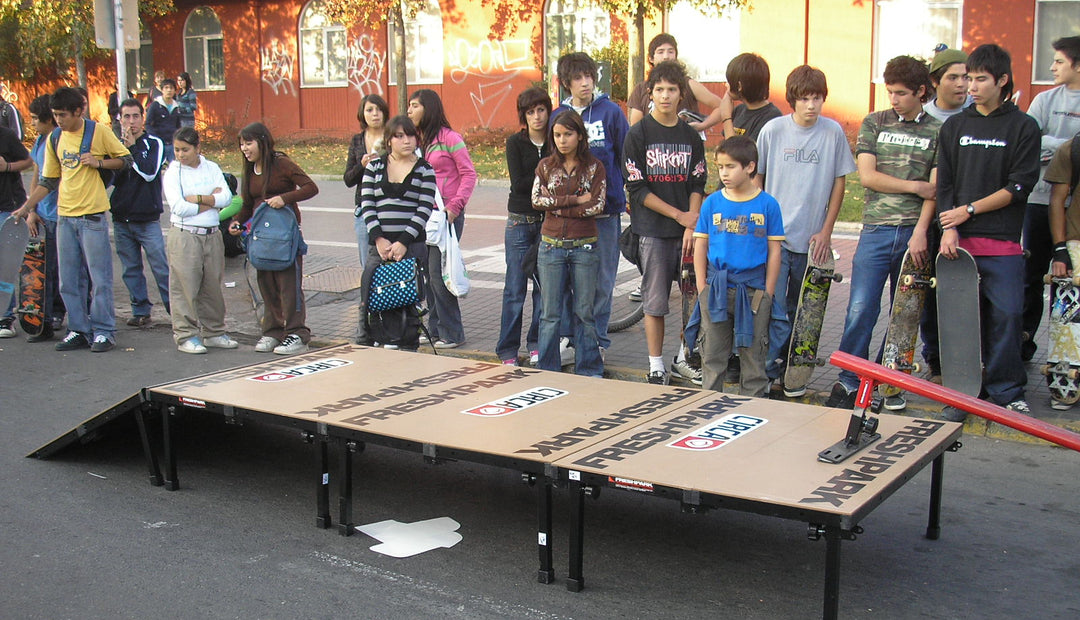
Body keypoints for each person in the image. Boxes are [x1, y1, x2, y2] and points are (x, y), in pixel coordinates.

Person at [825, 56, 941, 411]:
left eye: (901, 93)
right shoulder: (874, 123)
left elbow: (935, 190)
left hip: (914, 233)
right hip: (875, 230)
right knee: (861, 308)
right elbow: (868, 177)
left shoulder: (938, 131)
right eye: (890, 92)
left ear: (921, 91)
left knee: (904, 314)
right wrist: (915, 186)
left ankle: (889, 379)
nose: (893, 99)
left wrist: (921, 231)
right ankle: (848, 379)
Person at [936, 43, 1040, 417]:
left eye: (980, 79)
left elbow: (1019, 187)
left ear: (1002, 81)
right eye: (968, 78)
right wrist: (949, 228)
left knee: (1008, 316)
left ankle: (1007, 390)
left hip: (1003, 244)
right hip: (959, 247)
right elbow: (945, 183)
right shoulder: (955, 126)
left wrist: (970, 210)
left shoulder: (1024, 127)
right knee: (964, 324)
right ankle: (965, 394)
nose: (971, 86)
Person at [756, 65, 856, 396]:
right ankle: (771, 372)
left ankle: (795, 371)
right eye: (804, 99)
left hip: (812, 241)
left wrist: (827, 230)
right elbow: (758, 180)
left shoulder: (832, 133)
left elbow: (839, 183)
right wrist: (759, 224)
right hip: (776, 238)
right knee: (776, 307)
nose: (811, 106)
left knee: (805, 310)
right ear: (792, 101)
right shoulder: (773, 131)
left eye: (817, 99)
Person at [13, 86, 132, 353]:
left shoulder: (97, 132)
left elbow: (125, 160)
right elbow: (48, 180)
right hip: (65, 216)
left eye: (63, 115)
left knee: (98, 277)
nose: (58, 120)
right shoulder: (56, 137)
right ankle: (78, 328)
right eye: (55, 115)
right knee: (68, 279)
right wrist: (27, 207)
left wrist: (98, 162)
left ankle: (104, 330)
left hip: (91, 217)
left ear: (79, 111)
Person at [623, 60, 708, 385]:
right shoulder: (638, 134)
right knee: (655, 302)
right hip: (653, 232)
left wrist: (691, 223)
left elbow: (698, 183)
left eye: (672, 90)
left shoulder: (690, 137)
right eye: (660, 89)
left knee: (694, 303)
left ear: (681, 93)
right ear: (650, 93)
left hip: (688, 234)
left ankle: (684, 358)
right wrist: (677, 215)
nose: (666, 95)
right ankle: (656, 364)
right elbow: (637, 187)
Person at [551, 52, 629, 364]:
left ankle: (596, 341)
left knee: (602, 280)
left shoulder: (610, 112)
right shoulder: (560, 115)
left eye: (589, 76)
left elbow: (625, 155)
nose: (585, 83)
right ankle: (571, 338)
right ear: (567, 83)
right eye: (578, 78)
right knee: (569, 280)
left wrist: (626, 195)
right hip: (569, 215)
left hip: (606, 213)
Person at [691, 136, 782, 395]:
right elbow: (701, 245)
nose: (724, 173)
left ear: (750, 167)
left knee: (753, 360)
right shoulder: (712, 203)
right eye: (720, 167)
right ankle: (707, 407)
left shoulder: (767, 204)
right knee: (712, 356)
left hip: (753, 291)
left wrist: (768, 292)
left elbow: (775, 251)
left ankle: (751, 410)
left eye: (730, 166)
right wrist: (702, 287)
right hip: (717, 289)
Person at [230, 122, 319, 355]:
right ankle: (272, 332)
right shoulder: (249, 168)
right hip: (260, 237)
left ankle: (296, 333)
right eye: (241, 143)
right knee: (266, 283)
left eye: (248, 143)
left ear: (262, 141)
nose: (244, 148)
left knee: (288, 285)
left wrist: (285, 198)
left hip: (285, 235)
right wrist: (238, 222)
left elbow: (311, 187)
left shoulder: (281, 163)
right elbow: (248, 204)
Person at [532, 110, 606, 377]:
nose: (562, 140)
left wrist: (556, 206)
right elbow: (537, 201)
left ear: (579, 135)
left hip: (585, 244)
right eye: (558, 135)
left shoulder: (594, 167)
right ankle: (547, 369)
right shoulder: (545, 166)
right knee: (549, 314)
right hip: (550, 245)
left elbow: (596, 205)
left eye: (568, 134)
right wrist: (574, 200)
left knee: (584, 313)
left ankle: (589, 369)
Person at [1021, 36, 1080, 361]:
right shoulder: (1045, 99)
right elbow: (1030, 142)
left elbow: (1043, 143)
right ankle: (1024, 345)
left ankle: (1064, 354)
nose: (1052, 67)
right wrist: (1071, 146)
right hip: (1039, 201)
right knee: (1031, 279)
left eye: (1059, 61)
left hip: (1074, 212)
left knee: (1069, 282)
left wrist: (1050, 145)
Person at [355, 115, 436, 350]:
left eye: (410, 135)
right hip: (379, 247)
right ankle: (370, 342)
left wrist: (402, 242)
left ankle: (407, 348)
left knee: (407, 303)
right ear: (389, 140)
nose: (406, 141)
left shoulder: (425, 169)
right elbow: (367, 204)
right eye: (399, 136)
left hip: (410, 246)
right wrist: (379, 239)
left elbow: (424, 209)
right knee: (372, 297)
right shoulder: (375, 166)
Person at [407, 89, 476, 349]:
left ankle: (452, 332)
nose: (410, 111)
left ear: (429, 108)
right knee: (427, 274)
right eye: (409, 106)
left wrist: (455, 207)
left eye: (415, 106)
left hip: (446, 216)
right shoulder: (416, 141)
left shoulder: (450, 138)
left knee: (439, 274)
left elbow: (468, 174)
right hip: (424, 216)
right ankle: (435, 329)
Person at [919, 46, 969, 383]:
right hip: (928, 216)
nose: (962, 84)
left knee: (963, 292)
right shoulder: (923, 118)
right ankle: (935, 359)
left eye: (967, 76)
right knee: (930, 293)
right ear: (936, 81)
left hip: (967, 214)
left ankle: (966, 360)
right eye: (953, 76)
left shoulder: (976, 116)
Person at [163, 127, 236, 354]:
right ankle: (186, 334)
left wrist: (198, 199)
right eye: (177, 150)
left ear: (197, 148)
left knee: (212, 284)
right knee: (185, 285)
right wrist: (211, 202)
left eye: (185, 149)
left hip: (212, 234)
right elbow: (178, 207)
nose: (180, 155)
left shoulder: (212, 167)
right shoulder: (173, 173)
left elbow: (226, 197)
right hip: (185, 235)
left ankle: (214, 332)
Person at [497, 87, 551, 366]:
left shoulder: (556, 139)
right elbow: (518, 184)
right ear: (524, 116)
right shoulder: (515, 143)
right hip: (520, 222)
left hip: (547, 224)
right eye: (530, 112)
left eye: (541, 110)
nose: (537, 116)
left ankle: (535, 343)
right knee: (515, 289)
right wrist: (547, 177)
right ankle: (507, 349)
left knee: (543, 289)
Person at [110, 98, 170, 327]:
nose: (131, 122)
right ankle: (140, 310)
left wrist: (133, 148)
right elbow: (112, 178)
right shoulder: (114, 144)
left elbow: (149, 173)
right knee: (131, 268)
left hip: (147, 218)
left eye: (136, 116)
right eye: (126, 117)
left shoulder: (154, 143)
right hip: (121, 217)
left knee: (160, 266)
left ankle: (175, 310)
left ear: (143, 118)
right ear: (120, 119)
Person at [19, 95, 66, 341]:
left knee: (63, 269)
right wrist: (32, 210)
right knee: (43, 269)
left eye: (37, 119)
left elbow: (53, 179)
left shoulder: (59, 140)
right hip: (44, 213)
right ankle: (43, 320)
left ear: (49, 119)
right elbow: (36, 175)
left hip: (61, 213)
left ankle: (59, 312)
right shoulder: (39, 141)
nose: (33, 123)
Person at [627, 33, 733, 136]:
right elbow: (636, 127)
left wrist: (702, 125)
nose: (666, 57)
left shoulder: (688, 84)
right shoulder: (641, 89)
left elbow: (721, 106)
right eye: (660, 52)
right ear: (651, 58)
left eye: (670, 52)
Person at [1046, 134, 1080, 409]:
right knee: (1069, 322)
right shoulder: (1073, 148)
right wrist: (1060, 249)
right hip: (1075, 242)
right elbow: (1057, 200)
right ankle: (1065, 388)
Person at [344, 93, 391, 271]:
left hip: (389, 206)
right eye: (369, 110)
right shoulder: (357, 140)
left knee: (391, 262)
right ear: (362, 114)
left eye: (379, 109)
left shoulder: (393, 137)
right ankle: (370, 298)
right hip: (364, 208)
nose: (375, 114)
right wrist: (362, 165)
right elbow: (348, 179)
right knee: (368, 264)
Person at [0, 124, 32, 338]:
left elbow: (29, 161)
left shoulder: (6, 135)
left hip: (7, 207)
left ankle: (5, 317)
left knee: (6, 264)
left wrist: (7, 167)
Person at [725, 53, 782, 142]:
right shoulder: (739, 110)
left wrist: (726, 118)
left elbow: (735, 153)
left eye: (729, 81)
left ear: (739, 86)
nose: (726, 85)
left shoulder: (771, 117)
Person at [924, 46, 971, 123]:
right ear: (934, 81)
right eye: (953, 78)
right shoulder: (924, 116)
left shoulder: (980, 111)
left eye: (966, 77)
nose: (961, 84)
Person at [147, 78, 180, 162]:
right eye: (166, 87)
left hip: (172, 144)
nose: (169, 90)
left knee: (174, 168)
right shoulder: (155, 105)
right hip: (159, 144)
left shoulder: (176, 106)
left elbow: (178, 125)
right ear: (162, 90)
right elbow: (147, 124)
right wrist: (155, 138)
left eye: (171, 88)